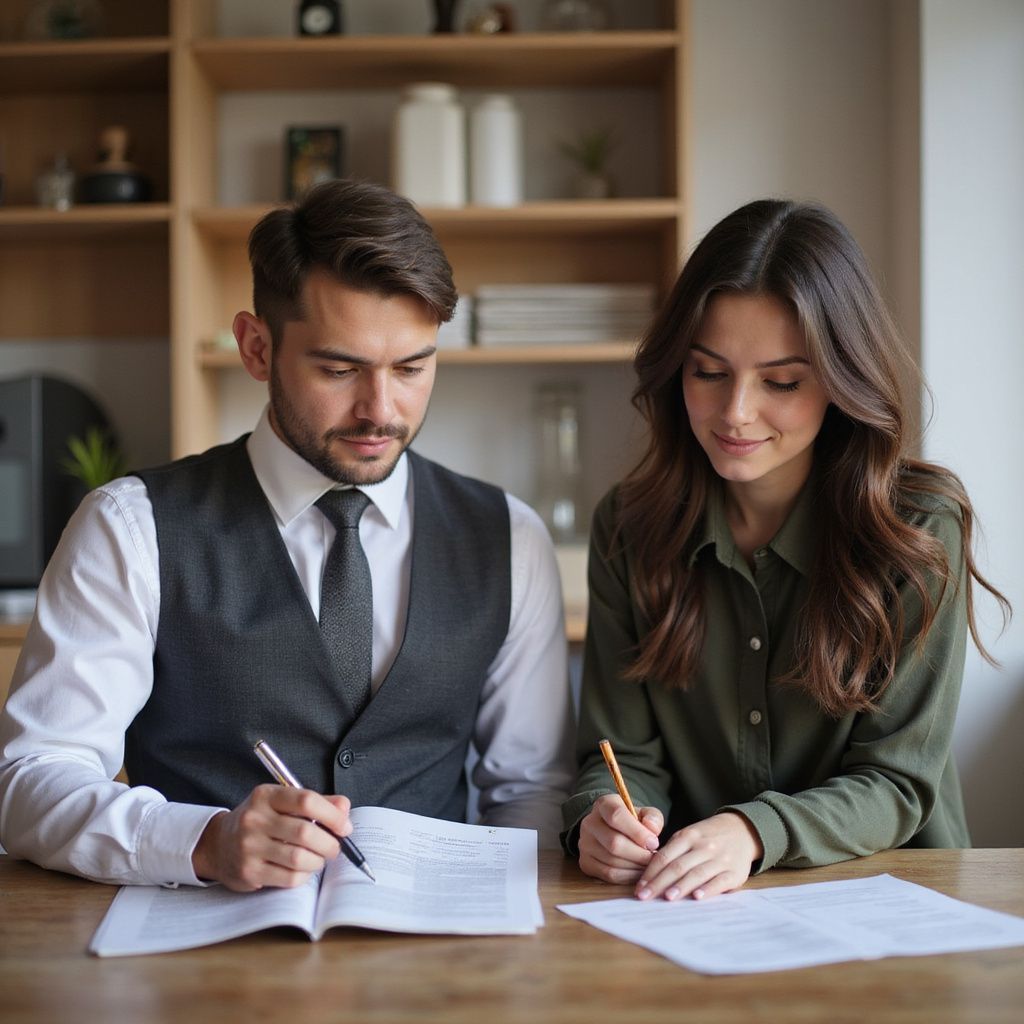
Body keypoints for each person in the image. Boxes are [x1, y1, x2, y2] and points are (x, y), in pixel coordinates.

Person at [0, 178, 575, 890]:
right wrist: (202, 842)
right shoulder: (130, 527)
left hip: (435, 966)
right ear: (256, 348)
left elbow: (531, 791)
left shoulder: (508, 537)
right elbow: (32, 779)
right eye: (340, 369)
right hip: (199, 959)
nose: (381, 410)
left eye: (413, 368)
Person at [562, 198, 1009, 903]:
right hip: (700, 909)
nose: (736, 411)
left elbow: (899, 782)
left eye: (781, 381)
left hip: (900, 900)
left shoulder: (919, 527)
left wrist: (753, 831)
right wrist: (603, 816)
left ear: (840, 380)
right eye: (707, 372)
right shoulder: (629, 526)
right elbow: (619, 755)